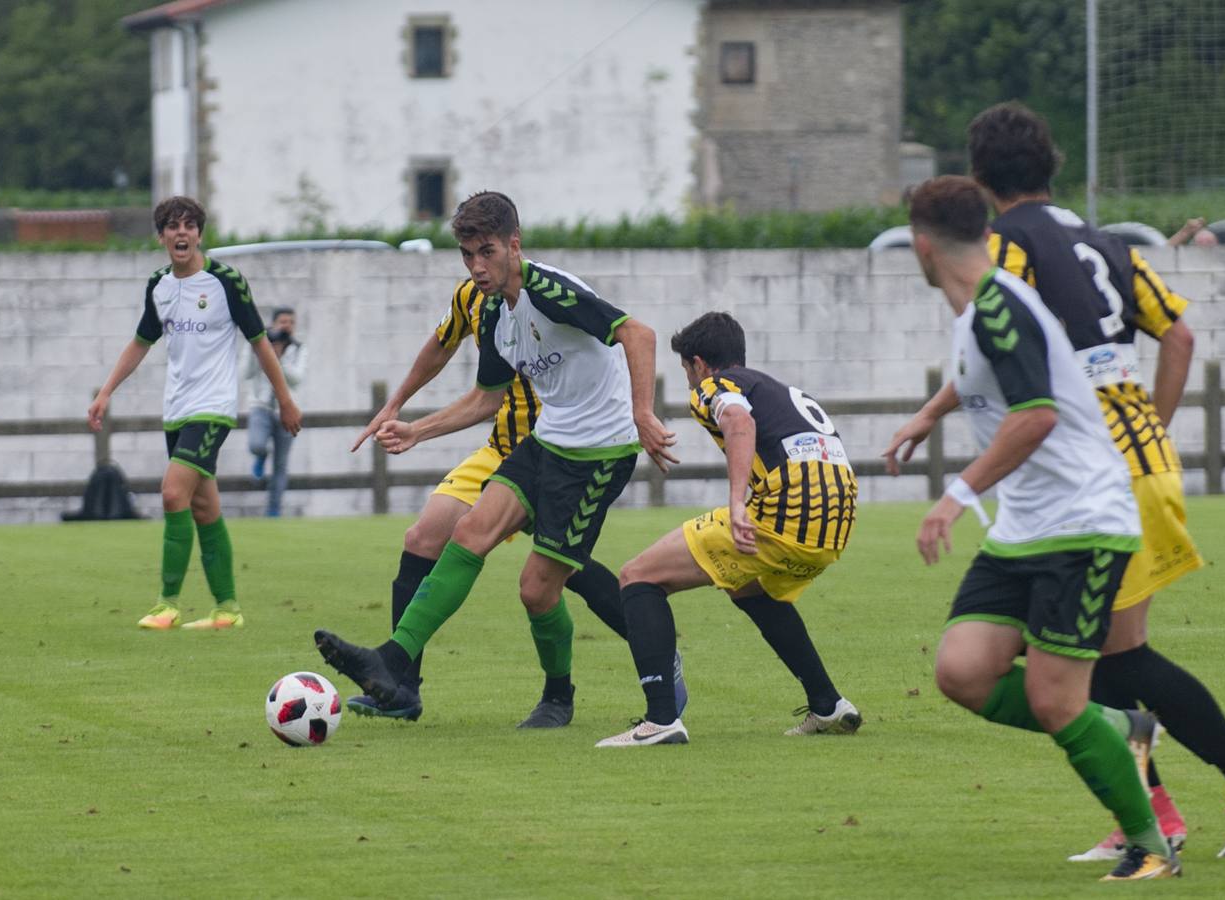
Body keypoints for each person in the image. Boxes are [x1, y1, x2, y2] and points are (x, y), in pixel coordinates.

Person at [891, 101, 1225, 861]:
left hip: (1082, 471)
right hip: (1137, 455)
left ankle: (1212, 795)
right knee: (1098, 655)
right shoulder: (1101, 241)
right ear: (1051, 166)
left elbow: (1010, 354)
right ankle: (1160, 802)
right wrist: (1154, 431)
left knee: (1107, 660)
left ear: (979, 183)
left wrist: (937, 425)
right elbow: (1177, 332)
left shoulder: (999, 253)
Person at [889, 175, 1177, 881]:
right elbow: (987, 373)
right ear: (983, 233)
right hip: (1026, 526)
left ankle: (1150, 849)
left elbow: (1037, 413)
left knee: (1054, 699)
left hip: (1081, 521)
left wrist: (953, 495)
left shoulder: (996, 306)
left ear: (922, 247)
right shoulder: (978, 311)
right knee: (962, 670)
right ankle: (1117, 729)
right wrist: (931, 414)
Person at [313, 191, 678, 726]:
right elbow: (486, 398)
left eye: (486, 252)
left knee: (536, 589)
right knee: (467, 534)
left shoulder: (548, 290)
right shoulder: (491, 316)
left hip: (600, 453)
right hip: (548, 441)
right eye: (466, 255)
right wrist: (418, 430)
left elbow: (637, 334)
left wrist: (642, 413)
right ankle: (391, 664)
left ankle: (561, 696)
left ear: (514, 243)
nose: (477, 267)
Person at [596, 312, 861, 747]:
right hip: (839, 516)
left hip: (787, 511)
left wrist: (737, 503)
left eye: (686, 371)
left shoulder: (714, 387)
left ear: (699, 364)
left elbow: (739, 423)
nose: (688, 383)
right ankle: (828, 704)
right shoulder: (782, 390)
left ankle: (661, 721)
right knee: (747, 588)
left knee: (638, 576)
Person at [88, 196, 302, 630]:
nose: (181, 232)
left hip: (214, 408)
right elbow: (140, 342)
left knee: (172, 494)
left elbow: (260, 340)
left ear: (199, 234)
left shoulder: (226, 281)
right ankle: (227, 609)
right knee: (204, 508)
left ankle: (167, 603)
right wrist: (106, 391)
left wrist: (285, 399)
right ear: (162, 236)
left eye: (189, 225)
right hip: (177, 410)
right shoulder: (159, 286)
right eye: (172, 226)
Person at [244, 306, 306, 517]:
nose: (286, 326)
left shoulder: (298, 348)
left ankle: (273, 511)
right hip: (261, 406)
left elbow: (297, 379)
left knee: (281, 466)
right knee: (256, 444)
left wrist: (279, 358)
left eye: (291, 322)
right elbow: (246, 373)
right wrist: (259, 351)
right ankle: (261, 456)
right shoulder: (259, 344)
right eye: (282, 322)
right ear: (273, 324)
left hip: (287, 411)